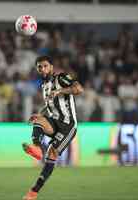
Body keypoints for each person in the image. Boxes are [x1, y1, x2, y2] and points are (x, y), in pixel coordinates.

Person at [22, 56, 84, 200]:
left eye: (45, 66)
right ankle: (37, 148)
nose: (42, 69)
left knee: (52, 154)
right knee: (38, 120)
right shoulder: (44, 86)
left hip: (68, 125)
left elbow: (79, 89)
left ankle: (34, 192)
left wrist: (60, 91)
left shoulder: (61, 78)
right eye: (39, 67)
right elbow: (50, 105)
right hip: (55, 120)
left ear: (51, 67)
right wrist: (40, 113)